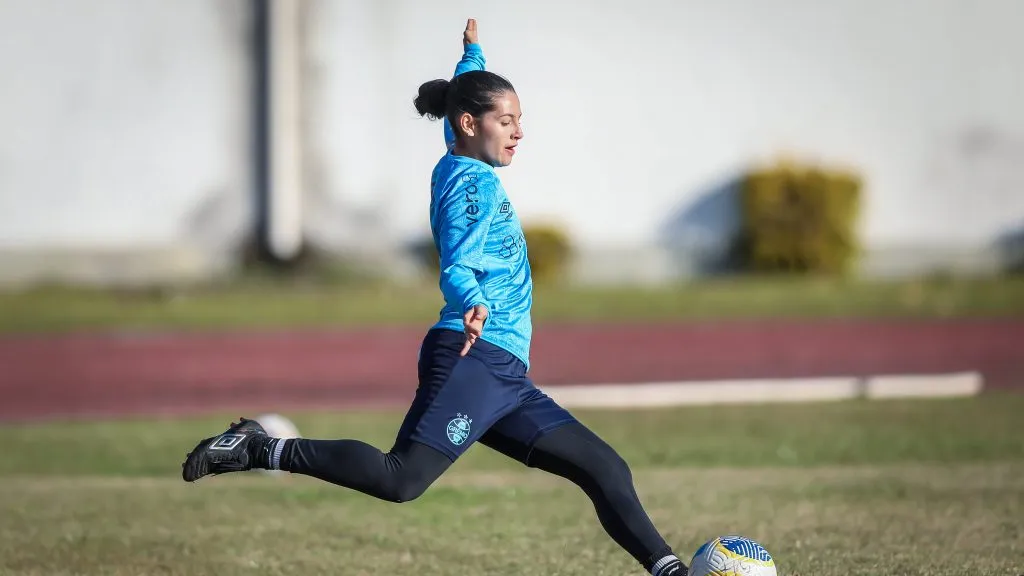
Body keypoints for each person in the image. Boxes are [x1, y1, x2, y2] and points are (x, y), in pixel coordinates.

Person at [181, 18, 689, 576]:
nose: (519, 132)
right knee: (401, 479)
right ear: (471, 125)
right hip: (473, 355)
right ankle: (259, 449)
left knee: (603, 466)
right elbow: (457, 259)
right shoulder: (471, 183)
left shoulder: (461, 153)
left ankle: (670, 570)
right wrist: (471, 298)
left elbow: (463, 108)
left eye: (520, 120)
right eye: (507, 121)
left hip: (505, 375)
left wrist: (472, 58)